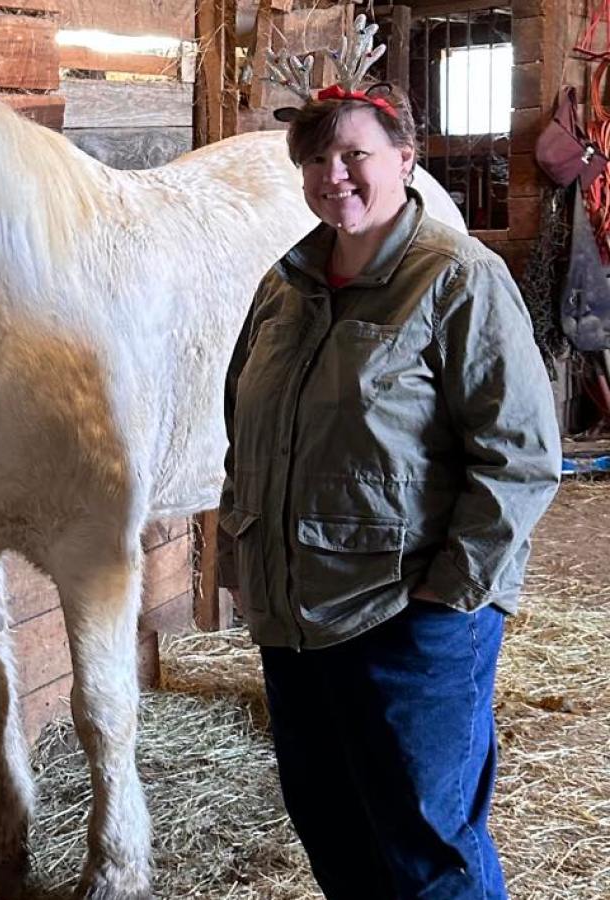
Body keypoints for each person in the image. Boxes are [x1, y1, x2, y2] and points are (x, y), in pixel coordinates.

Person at [216, 78, 562, 899]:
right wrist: (248, 558)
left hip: (406, 617)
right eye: (315, 159)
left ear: (404, 161)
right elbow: (243, 425)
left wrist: (451, 592)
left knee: (425, 848)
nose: (332, 175)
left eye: (353, 154)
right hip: (295, 617)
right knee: (332, 827)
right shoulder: (286, 284)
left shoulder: (457, 278)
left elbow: (519, 455)